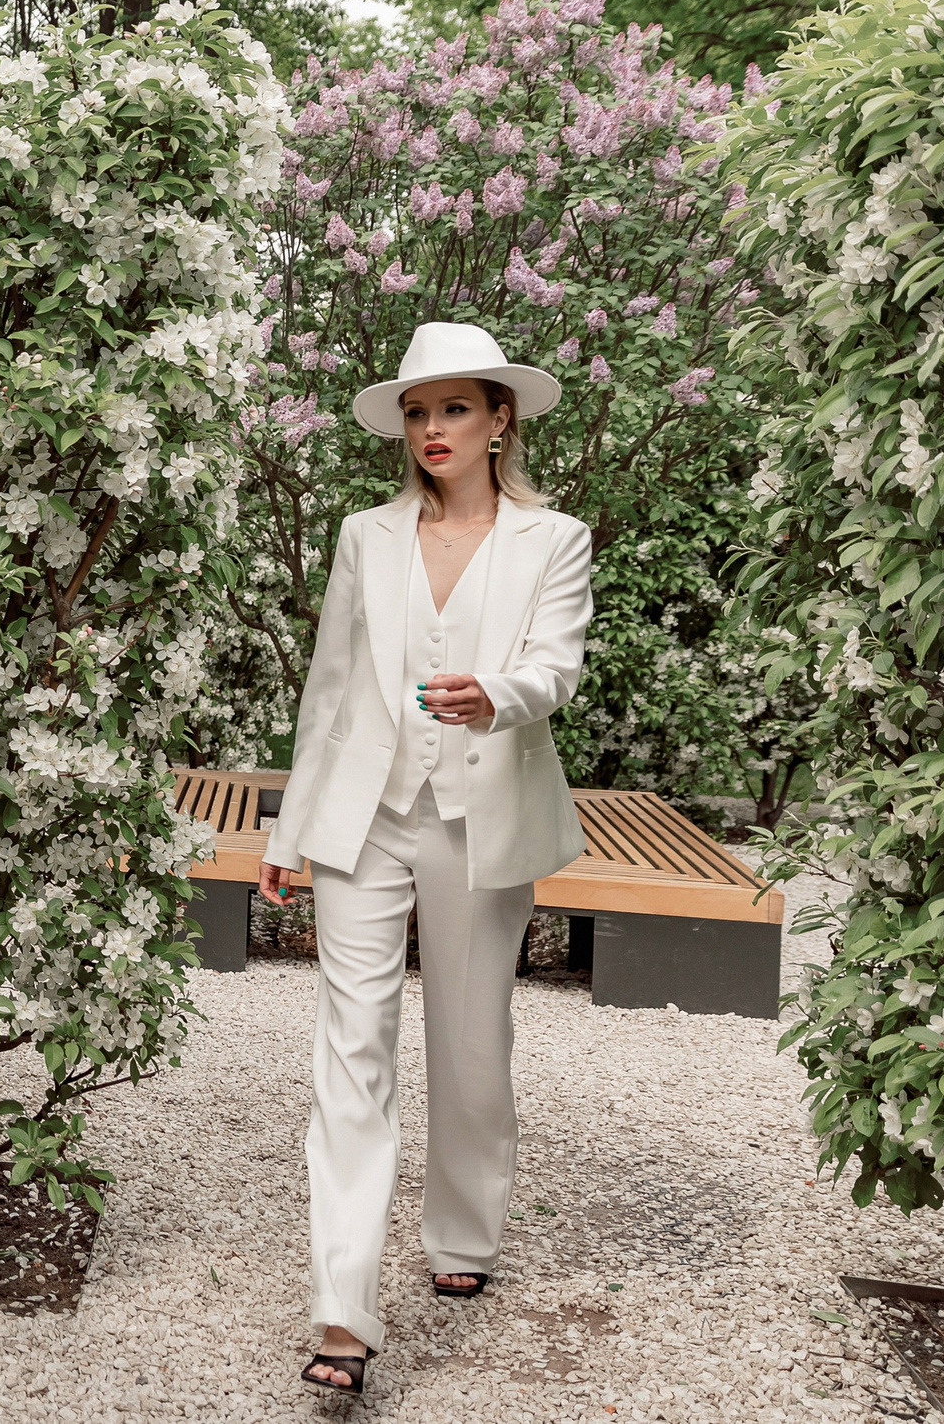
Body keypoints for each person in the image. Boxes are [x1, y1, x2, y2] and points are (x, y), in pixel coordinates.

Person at [258, 322, 595, 1400]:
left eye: (453, 408)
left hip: (481, 819)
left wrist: (497, 695)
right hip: (367, 816)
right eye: (416, 410)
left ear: (501, 419)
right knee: (348, 1051)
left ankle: (461, 1230)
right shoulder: (366, 534)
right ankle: (343, 1310)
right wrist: (287, 829)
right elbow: (331, 686)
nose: (431, 429)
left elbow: (555, 665)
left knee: (469, 1042)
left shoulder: (554, 540)